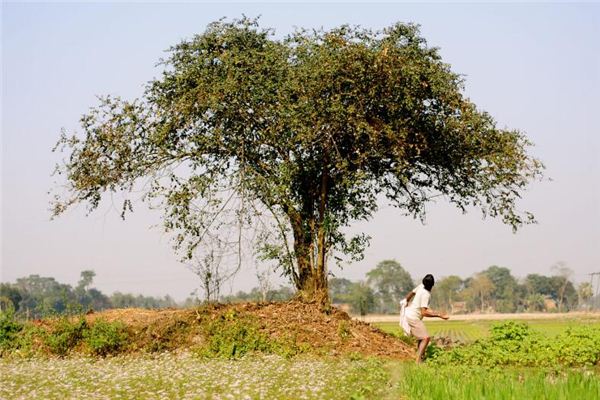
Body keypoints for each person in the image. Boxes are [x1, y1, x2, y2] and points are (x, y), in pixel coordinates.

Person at [402, 274, 448, 363]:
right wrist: (439, 315)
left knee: (421, 338)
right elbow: (424, 312)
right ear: (433, 284)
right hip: (413, 317)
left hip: (409, 313)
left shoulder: (421, 286)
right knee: (426, 338)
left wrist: (406, 301)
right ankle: (418, 360)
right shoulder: (426, 294)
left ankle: (421, 358)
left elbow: (412, 293)